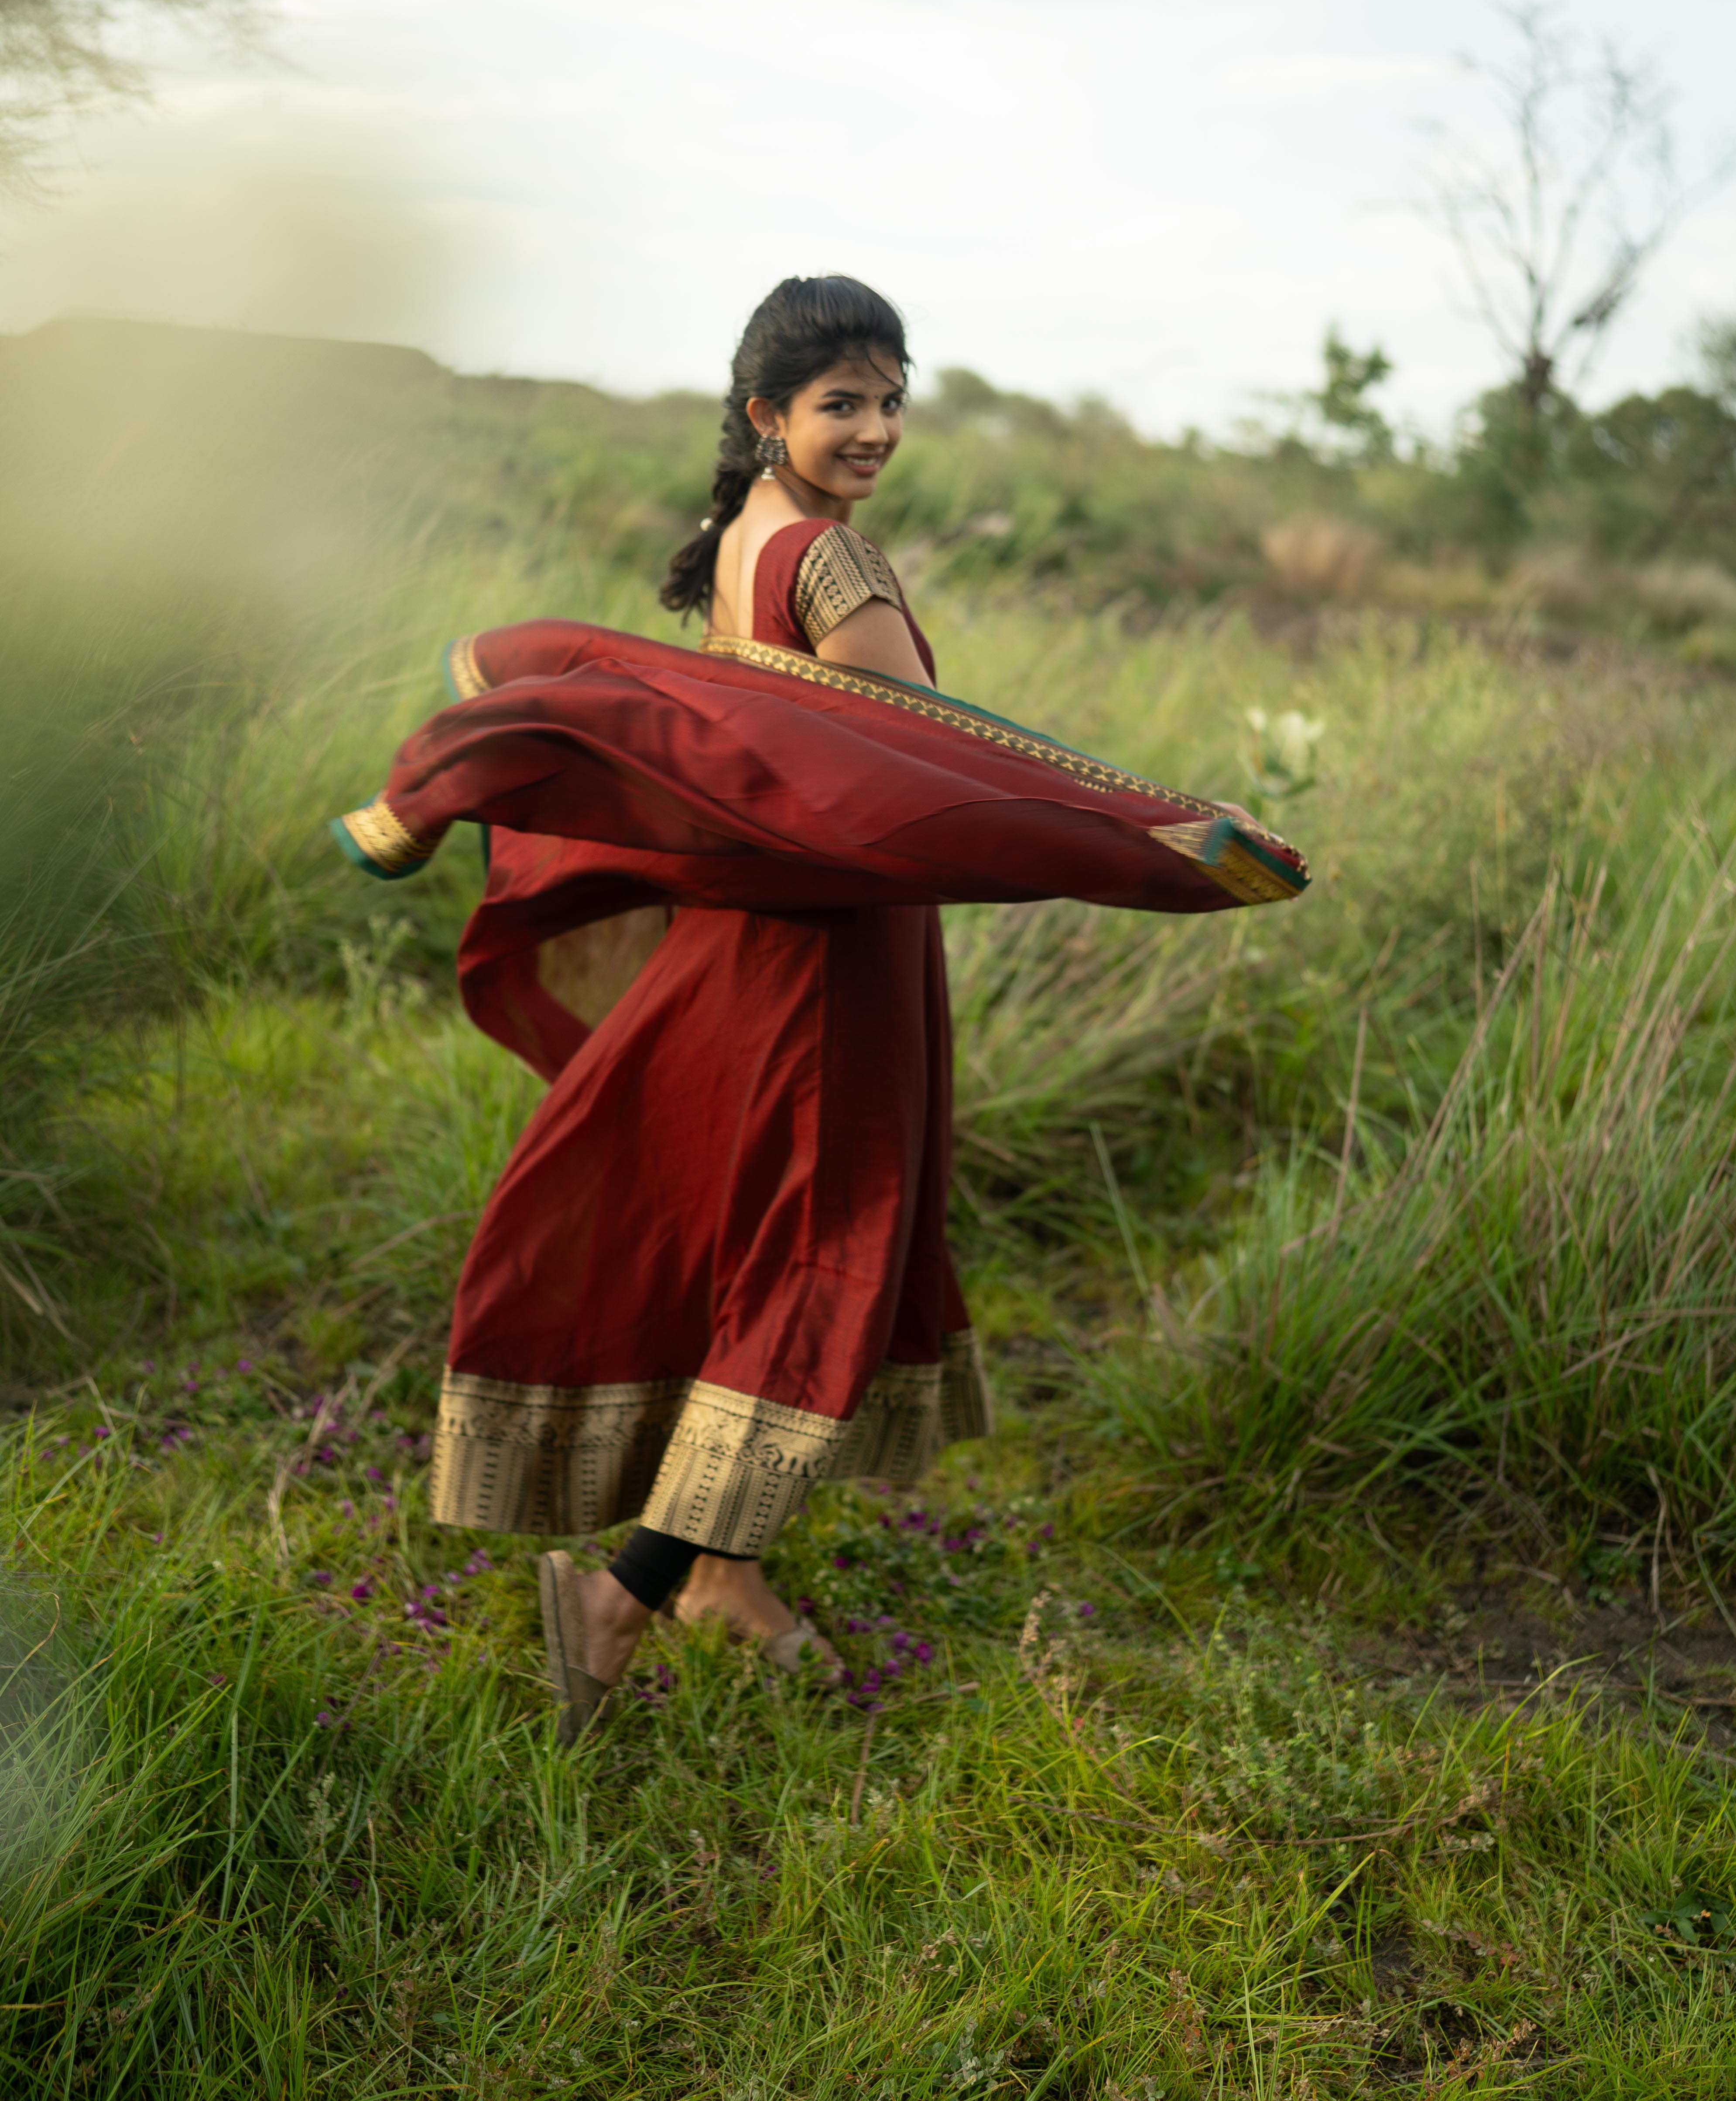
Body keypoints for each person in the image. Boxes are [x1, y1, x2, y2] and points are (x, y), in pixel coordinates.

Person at [331, 276, 1310, 1741]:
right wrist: (1154, 832)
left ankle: (724, 1577)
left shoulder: (743, 539)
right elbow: (932, 775)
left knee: (754, 1236)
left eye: (892, 399)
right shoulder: (832, 560)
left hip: (750, 945)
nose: (877, 428)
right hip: (830, 964)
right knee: (817, 1258)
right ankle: (620, 1596)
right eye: (842, 402)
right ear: (766, 414)